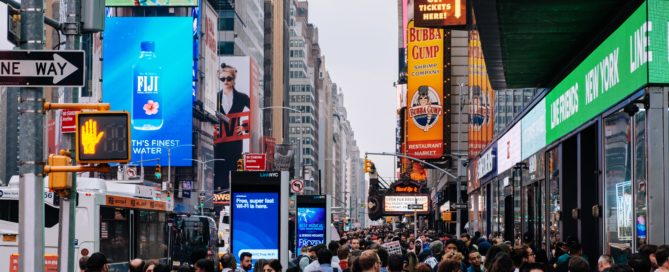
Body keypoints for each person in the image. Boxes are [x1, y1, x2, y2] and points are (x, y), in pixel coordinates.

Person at [215, 62, 251, 189]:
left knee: (233, 168)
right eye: (222, 79)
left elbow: (256, 114)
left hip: (235, 141)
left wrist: (244, 127)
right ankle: (219, 192)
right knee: (218, 168)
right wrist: (213, 127)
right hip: (218, 142)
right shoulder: (214, 97)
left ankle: (232, 191)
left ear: (233, 79)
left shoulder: (242, 97)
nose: (226, 81)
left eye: (228, 78)